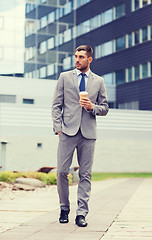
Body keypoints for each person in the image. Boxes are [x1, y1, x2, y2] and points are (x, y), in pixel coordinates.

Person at [52, 45, 109, 227]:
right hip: (67, 131)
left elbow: (105, 108)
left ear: (89, 59)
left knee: (85, 174)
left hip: (88, 133)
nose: (77, 60)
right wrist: (58, 128)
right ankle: (64, 208)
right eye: (76, 56)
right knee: (61, 171)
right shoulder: (64, 77)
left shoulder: (99, 81)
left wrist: (92, 107)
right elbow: (56, 105)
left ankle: (81, 213)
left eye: (81, 57)